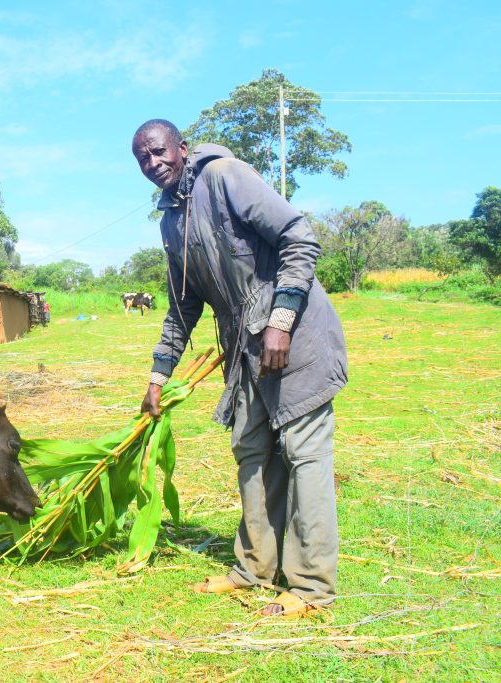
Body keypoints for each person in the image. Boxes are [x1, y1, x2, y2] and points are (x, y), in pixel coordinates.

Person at [131, 119, 347, 617]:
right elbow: (183, 306)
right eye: (142, 159)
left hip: (296, 340)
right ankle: (255, 569)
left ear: (182, 148)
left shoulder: (226, 176)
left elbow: (300, 237)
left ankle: (312, 587)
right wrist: (158, 375)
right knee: (251, 451)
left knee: (303, 454)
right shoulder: (171, 221)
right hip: (245, 354)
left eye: (159, 152)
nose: (153, 163)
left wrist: (282, 319)